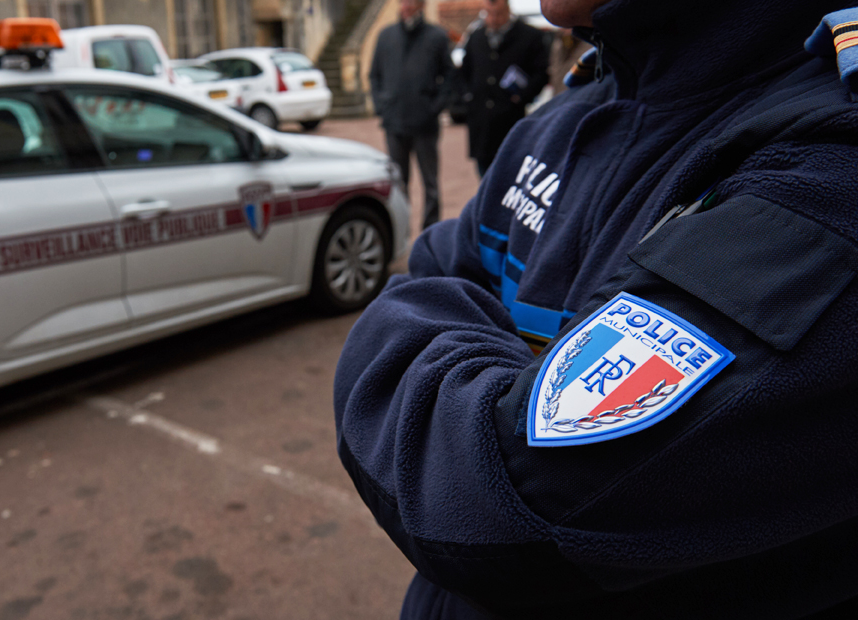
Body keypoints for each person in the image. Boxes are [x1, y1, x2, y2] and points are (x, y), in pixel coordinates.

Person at [336, 0, 858, 617]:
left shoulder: (829, 158)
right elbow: (428, 273)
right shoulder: (563, 119)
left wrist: (427, 352)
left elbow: (498, 498)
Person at [370, 0, 454, 230]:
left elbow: (449, 76)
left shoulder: (436, 36)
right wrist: (382, 106)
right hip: (394, 123)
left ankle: (431, 230)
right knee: (398, 183)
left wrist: (434, 108)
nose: (405, 6)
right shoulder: (386, 36)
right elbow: (374, 75)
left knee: (430, 184)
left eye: (410, 2)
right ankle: (401, 228)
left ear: (421, 5)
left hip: (425, 125)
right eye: (402, 1)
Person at [459, 0, 549, 176]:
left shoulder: (529, 36)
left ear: (508, 10)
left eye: (498, 14)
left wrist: (522, 96)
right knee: (484, 176)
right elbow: (464, 72)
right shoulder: (476, 37)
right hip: (481, 123)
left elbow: (541, 73)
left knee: (511, 173)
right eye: (489, 14)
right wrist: (468, 96)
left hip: (510, 119)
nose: (493, 19)